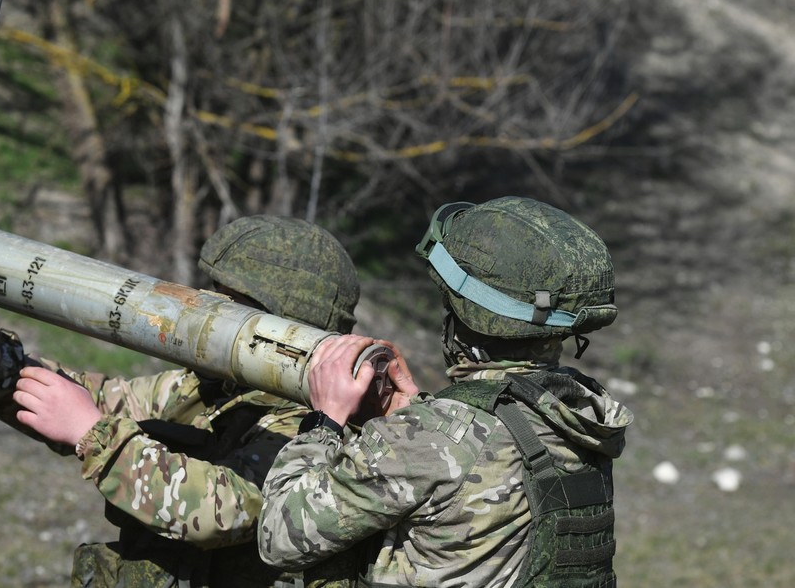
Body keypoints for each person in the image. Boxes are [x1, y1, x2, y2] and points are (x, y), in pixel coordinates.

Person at [0, 215, 362, 587]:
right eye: (213, 292)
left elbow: (223, 509)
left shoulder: (317, 427)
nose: (208, 311)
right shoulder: (213, 388)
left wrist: (94, 434)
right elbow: (96, 401)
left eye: (234, 305)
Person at [258, 196, 634, 587]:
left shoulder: (433, 439)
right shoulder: (577, 411)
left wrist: (324, 420)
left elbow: (278, 538)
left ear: (463, 316)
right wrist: (414, 414)